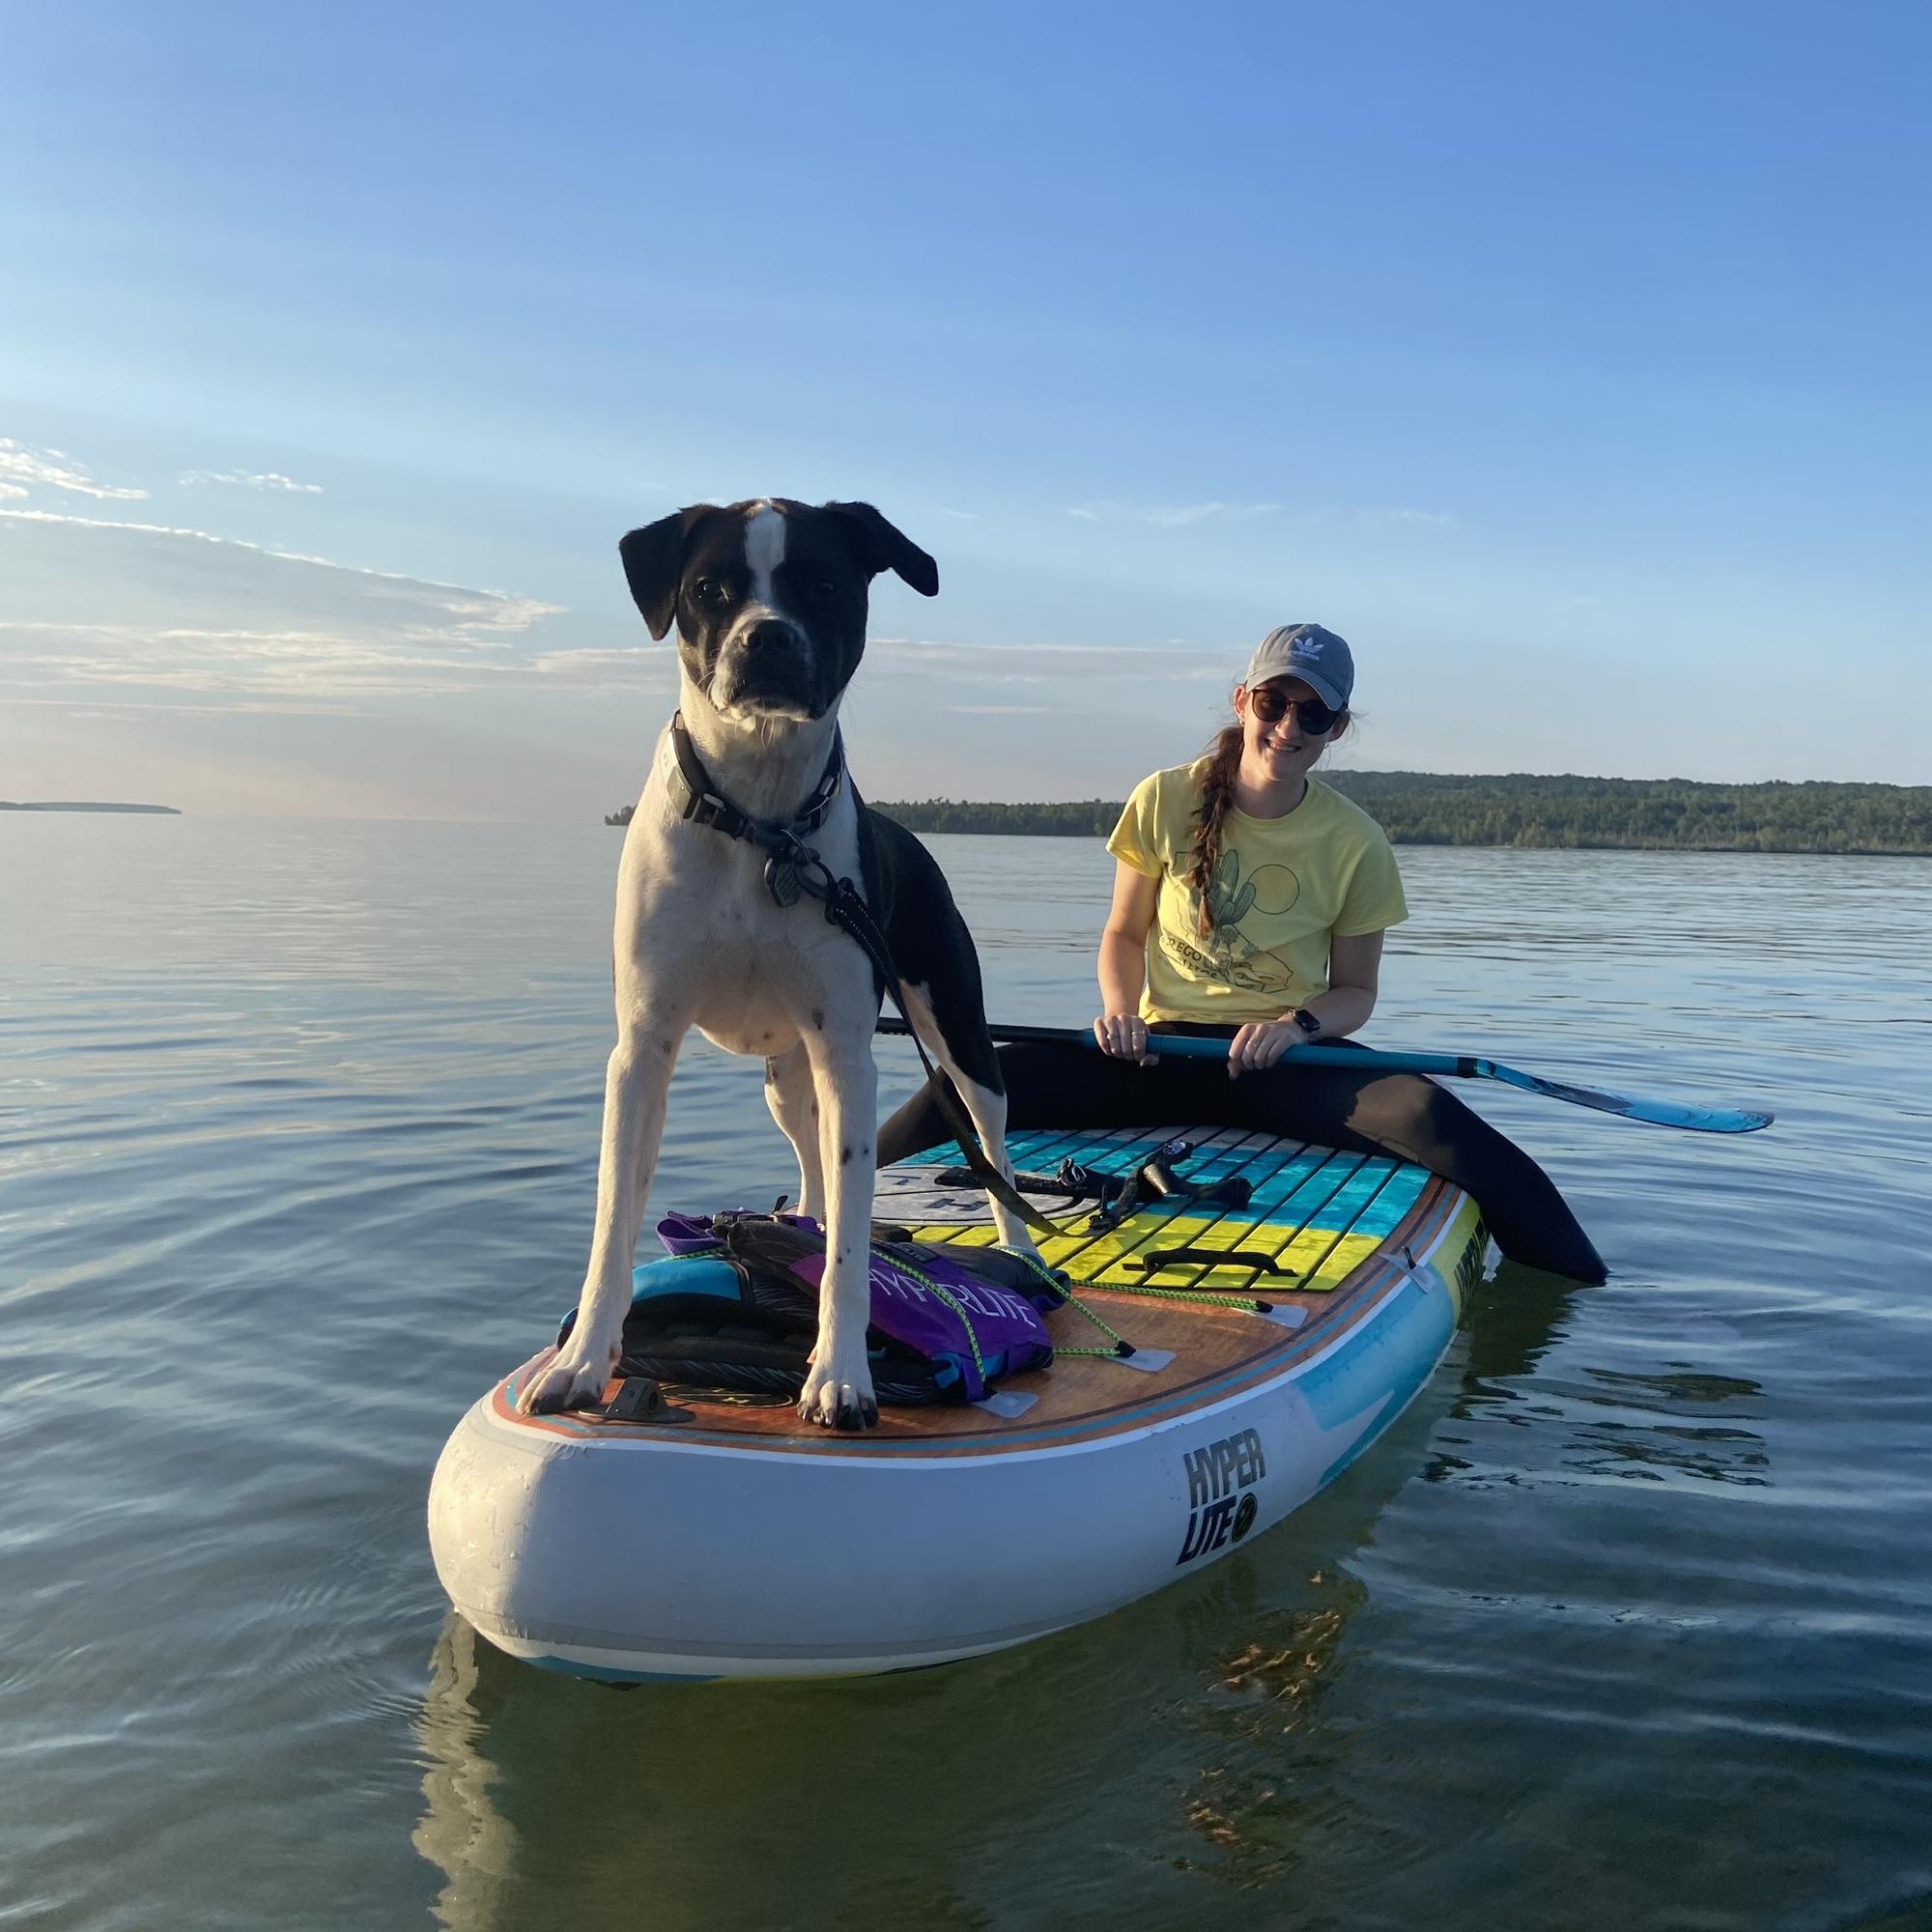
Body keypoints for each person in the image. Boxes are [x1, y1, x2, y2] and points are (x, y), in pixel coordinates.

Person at [878, 623, 1606, 1284]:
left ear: (1336, 728)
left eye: (1313, 714)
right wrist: (1118, 1012)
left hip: (1285, 1066)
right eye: (1273, 703)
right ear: (1242, 701)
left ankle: (1587, 1285)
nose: (1288, 727)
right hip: (1153, 1057)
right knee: (967, 1082)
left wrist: (1295, 1027)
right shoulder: (1164, 798)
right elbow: (1123, 935)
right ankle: (802, 1231)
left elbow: (1356, 993)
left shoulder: (1356, 842)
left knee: (1434, 1120)